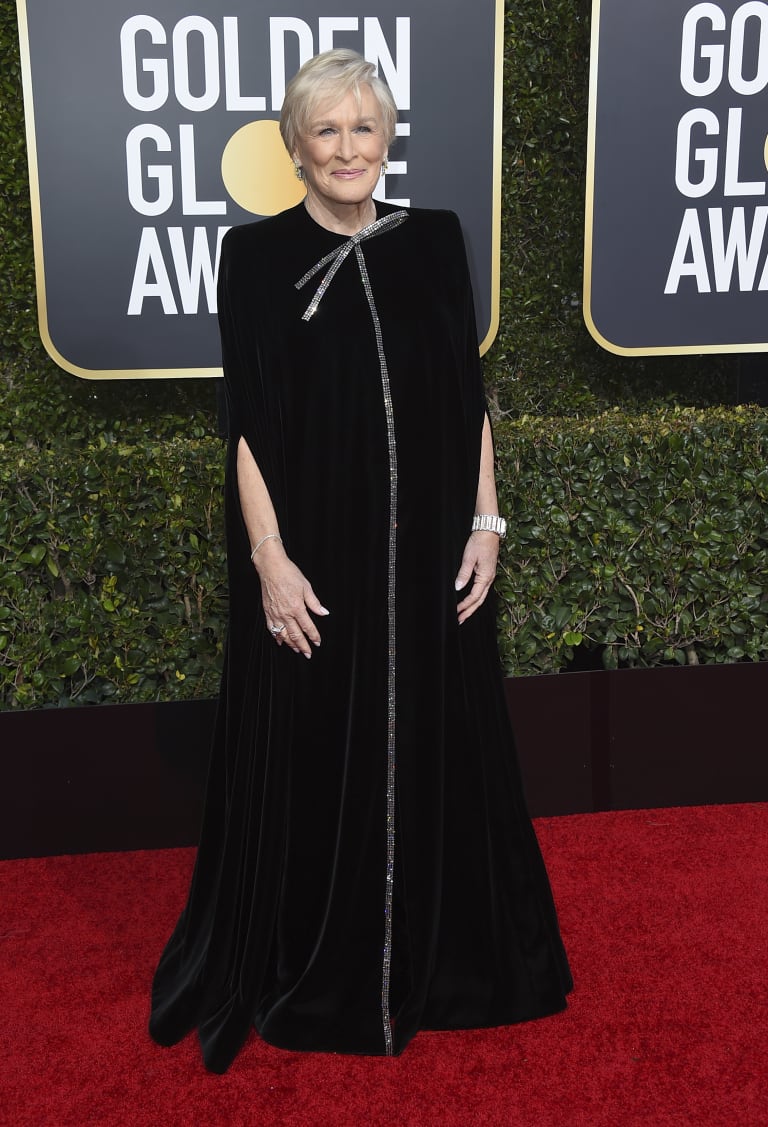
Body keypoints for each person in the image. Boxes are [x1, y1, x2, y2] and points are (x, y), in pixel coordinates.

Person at [149, 48, 572, 1074]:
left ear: (388, 140)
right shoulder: (253, 257)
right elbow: (246, 428)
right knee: (319, 751)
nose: (348, 149)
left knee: (439, 734)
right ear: (295, 147)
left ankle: (446, 955)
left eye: (364, 129)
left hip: (434, 559)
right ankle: (320, 959)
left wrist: (487, 523)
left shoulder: (436, 241)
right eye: (326, 131)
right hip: (320, 561)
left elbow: (467, 395)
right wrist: (269, 559)